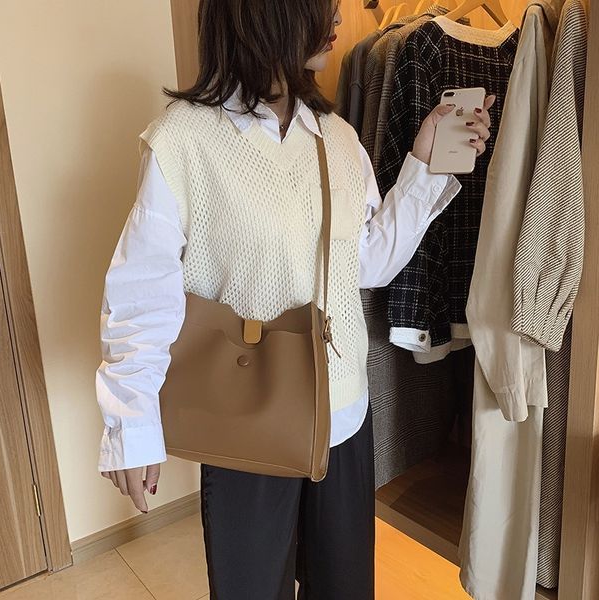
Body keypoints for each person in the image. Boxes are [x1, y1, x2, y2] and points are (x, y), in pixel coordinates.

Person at [96, 1, 494, 598]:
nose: (335, 18)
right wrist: (130, 421)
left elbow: (367, 263)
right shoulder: (183, 140)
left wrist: (426, 163)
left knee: (343, 586)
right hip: (245, 419)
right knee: (253, 587)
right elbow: (142, 292)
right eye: (321, 5)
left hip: (344, 411)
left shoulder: (338, 138)